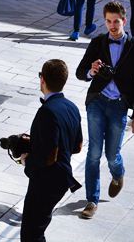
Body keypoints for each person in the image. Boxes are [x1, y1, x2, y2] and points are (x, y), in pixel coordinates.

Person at [75, 1, 134, 220]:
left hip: (119, 105)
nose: (112, 26)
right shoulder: (98, 42)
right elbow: (81, 73)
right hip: (97, 101)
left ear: (124, 21)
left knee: (112, 155)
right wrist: (91, 70)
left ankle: (118, 175)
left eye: (116, 21)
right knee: (94, 153)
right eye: (108, 21)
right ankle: (91, 200)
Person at [20, 59, 83, 242]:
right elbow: (77, 146)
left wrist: (27, 160)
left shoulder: (47, 111)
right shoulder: (71, 107)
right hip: (61, 179)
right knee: (36, 230)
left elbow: (49, 156)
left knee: (31, 233)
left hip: (47, 181)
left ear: (43, 80)